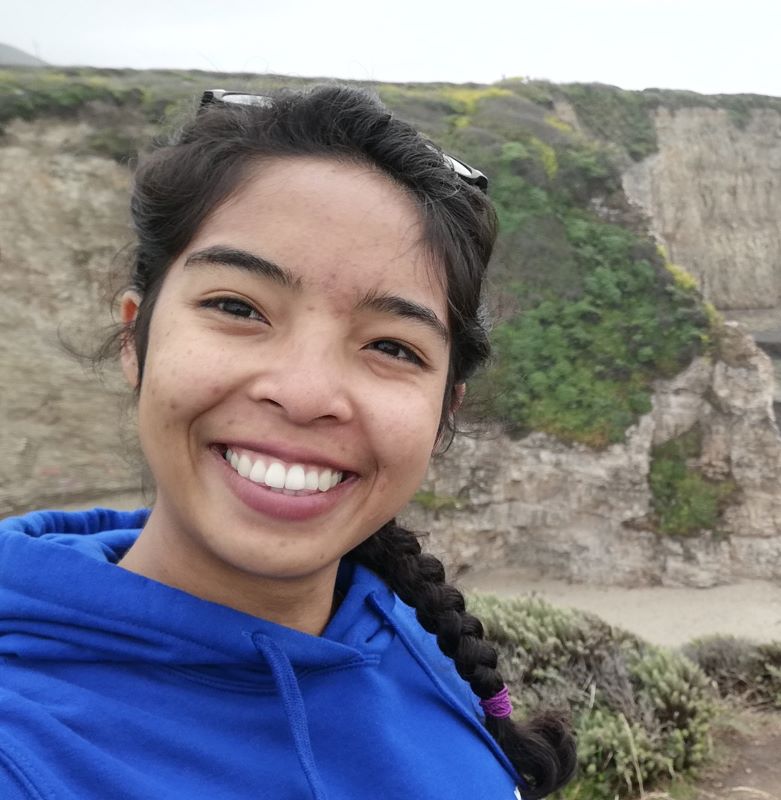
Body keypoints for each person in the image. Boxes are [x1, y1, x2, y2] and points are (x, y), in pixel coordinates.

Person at [0, 85, 576, 799]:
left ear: (443, 410)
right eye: (237, 307)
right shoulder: (24, 745)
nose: (303, 394)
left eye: (392, 347)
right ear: (134, 335)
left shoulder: (414, 641)